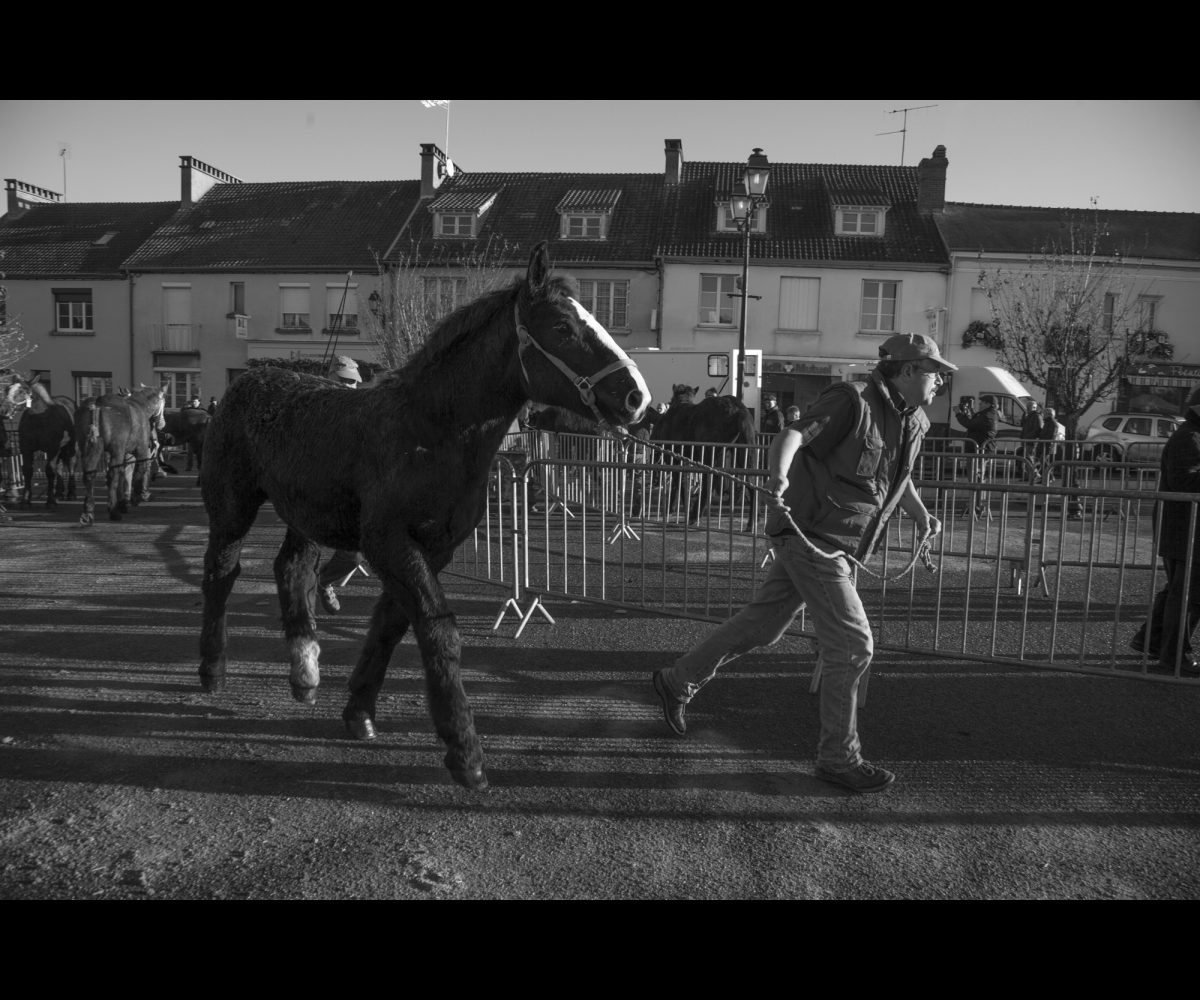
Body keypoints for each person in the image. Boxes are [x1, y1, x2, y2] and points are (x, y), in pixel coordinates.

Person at [651, 331, 954, 794]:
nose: (940, 382)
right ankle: (838, 758)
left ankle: (676, 681)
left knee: (764, 625)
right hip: (813, 539)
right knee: (854, 646)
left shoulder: (913, 421)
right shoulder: (851, 400)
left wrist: (922, 515)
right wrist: (776, 478)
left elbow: (899, 477)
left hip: (837, 545)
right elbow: (792, 435)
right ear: (909, 370)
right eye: (935, 372)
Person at [1129, 388, 1200, 677]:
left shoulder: (1192, 434)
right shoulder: (1190, 437)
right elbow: (1186, 482)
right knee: (1189, 595)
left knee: (1179, 591)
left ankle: (1153, 640)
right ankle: (1175, 655)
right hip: (1187, 530)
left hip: (1185, 530)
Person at [318, 356, 365, 614]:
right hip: (311, 494)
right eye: (345, 381)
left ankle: (325, 582)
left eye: (354, 383)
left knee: (353, 556)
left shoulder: (357, 411)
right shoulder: (315, 406)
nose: (351, 388)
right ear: (332, 378)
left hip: (345, 495)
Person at [956, 393, 999, 518]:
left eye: (982, 402)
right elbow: (973, 421)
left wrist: (958, 414)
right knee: (977, 478)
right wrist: (967, 411)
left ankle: (977, 506)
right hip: (979, 450)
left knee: (976, 479)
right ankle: (976, 504)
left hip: (980, 451)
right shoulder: (986, 414)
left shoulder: (988, 414)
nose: (979, 404)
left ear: (988, 404)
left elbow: (971, 424)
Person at [1019, 400, 1044, 480]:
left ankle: (1035, 474)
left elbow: (1038, 429)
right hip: (1026, 439)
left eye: (1030, 407)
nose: (1028, 408)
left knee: (1029, 458)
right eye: (1027, 407)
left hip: (1031, 441)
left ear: (1034, 407)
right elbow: (1022, 424)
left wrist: (1028, 436)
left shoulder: (1037, 416)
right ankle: (1029, 475)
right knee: (1026, 458)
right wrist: (1024, 414)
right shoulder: (1028, 415)